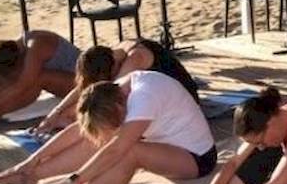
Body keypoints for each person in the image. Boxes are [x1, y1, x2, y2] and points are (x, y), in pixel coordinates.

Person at [0, 71, 216, 184]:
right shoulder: (116, 91)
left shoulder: (144, 96)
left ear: (120, 105)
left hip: (196, 158)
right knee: (100, 136)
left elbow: (115, 151)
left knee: (128, 151)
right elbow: (82, 130)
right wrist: (29, 163)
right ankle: (30, 175)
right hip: (163, 146)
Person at [32, 38, 200, 135]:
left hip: (183, 103)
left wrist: (69, 117)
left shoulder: (135, 58)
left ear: (112, 70)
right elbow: (84, 88)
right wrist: (55, 113)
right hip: (157, 98)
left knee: (106, 114)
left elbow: (106, 96)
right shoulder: (110, 56)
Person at [0, 30, 80, 126]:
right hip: (68, 81)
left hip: (88, 85)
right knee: (18, 75)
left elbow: (23, 85)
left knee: (37, 78)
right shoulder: (15, 48)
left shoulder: (37, 46)